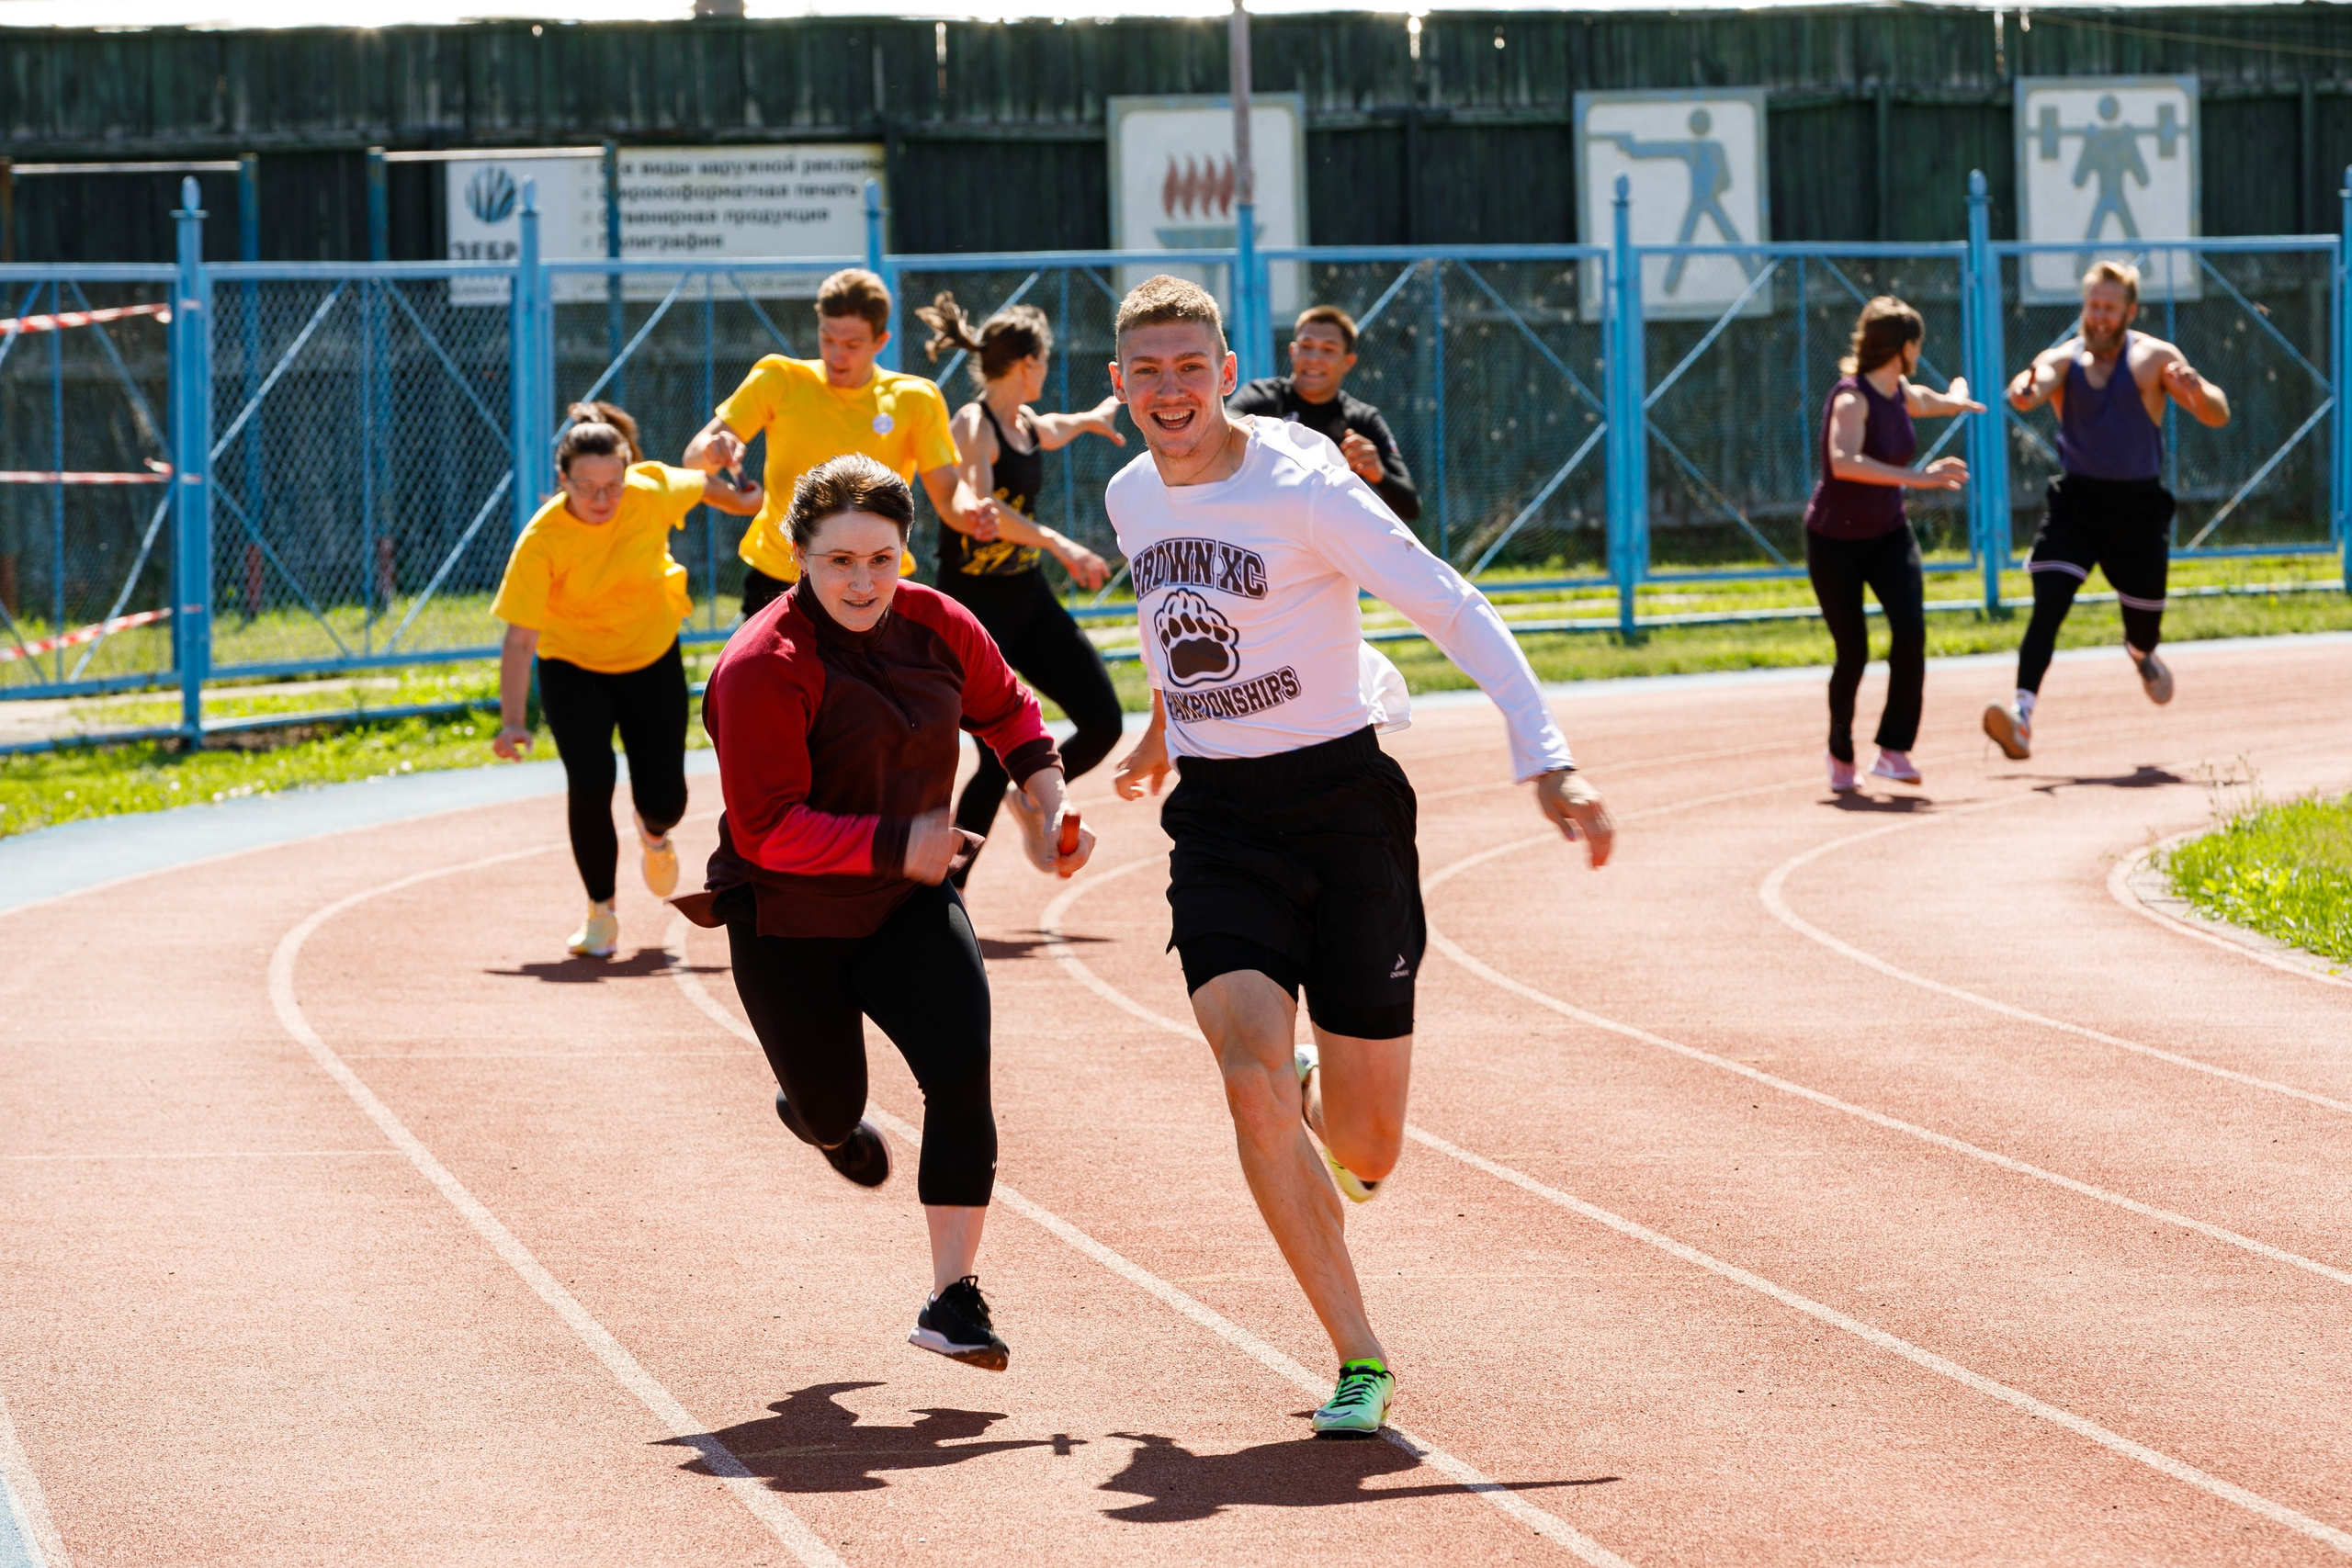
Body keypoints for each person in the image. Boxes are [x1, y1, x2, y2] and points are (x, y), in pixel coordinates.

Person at [1102, 276, 1614, 1438]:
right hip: (1221, 824)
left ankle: (1326, 1113)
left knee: (1369, 1147)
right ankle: (1358, 1356)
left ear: (1227, 373)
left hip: (1346, 813)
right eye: (1148, 371)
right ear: (1120, 386)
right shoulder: (1132, 493)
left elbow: (1449, 605)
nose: (1171, 390)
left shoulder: (1303, 488)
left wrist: (1549, 760)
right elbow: (1176, 627)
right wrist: (1159, 731)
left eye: (1191, 367)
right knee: (1245, 1077)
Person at [675, 454, 1096, 1371]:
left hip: (906, 903)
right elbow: (765, 829)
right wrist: (897, 842)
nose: (863, 582)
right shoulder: (760, 667)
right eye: (839, 562)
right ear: (799, 557)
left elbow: (1013, 716)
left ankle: (953, 1297)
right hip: (786, 918)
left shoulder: (940, 623)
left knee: (961, 1071)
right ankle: (819, 1119)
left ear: (907, 553)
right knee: (836, 1110)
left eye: (882, 559)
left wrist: (1050, 804)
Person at [490, 401, 763, 957]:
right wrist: (514, 722)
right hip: (573, 668)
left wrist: (743, 502)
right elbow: (520, 640)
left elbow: (702, 486)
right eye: (587, 486)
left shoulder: (650, 488)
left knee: (665, 800)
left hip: (650, 658)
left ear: (627, 472)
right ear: (563, 480)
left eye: (613, 484)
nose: (602, 499)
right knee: (589, 785)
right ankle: (601, 914)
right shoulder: (542, 540)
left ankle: (654, 832)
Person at [911, 291, 1128, 882]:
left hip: (1027, 598)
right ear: (1026, 363)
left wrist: (1090, 418)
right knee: (991, 760)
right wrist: (1060, 543)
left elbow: (1050, 430)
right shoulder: (973, 424)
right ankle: (947, 889)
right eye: (1045, 361)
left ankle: (1033, 801)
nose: (1047, 370)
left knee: (1104, 721)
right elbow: (982, 507)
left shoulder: (1024, 422)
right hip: (977, 609)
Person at [1984, 260, 2231, 759]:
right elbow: (2033, 386)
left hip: (2138, 510)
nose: (2098, 317)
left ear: (2130, 311)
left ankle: (2140, 653)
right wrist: (2023, 389)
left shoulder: (2152, 359)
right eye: (2092, 306)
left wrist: (2197, 391)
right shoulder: (2062, 359)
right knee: (2048, 605)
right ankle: (2022, 717)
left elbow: (2218, 414)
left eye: (2109, 308)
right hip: (2077, 503)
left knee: (2143, 627)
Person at [680, 268, 983, 619]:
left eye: (852, 344)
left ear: (880, 341)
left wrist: (971, 514)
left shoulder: (916, 399)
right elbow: (693, 458)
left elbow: (948, 493)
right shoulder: (778, 378)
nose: (837, 354)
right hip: (780, 577)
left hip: (871, 582)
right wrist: (712, 449)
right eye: (827, 338)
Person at [1801, 297, 1984, 793]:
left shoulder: (1897, 391)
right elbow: (1844, 460)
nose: (1918, 353)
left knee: (1910, 632)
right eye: (1917, 345)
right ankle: (1840, 754)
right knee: (1853, 652)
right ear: (1903, 347)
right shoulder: (1851, 398)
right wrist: (1918, 478)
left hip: (1887, 535)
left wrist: (1956, 398)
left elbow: (1923, 400)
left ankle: (1893, 750)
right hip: (1834, 541)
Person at [1227, 305, 1420, 523]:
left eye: (1328, 349)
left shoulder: (1362, 419)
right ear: (1293, 351)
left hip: (1333, 539)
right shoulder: (1262, 397)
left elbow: (1411, 508)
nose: (1314, 358)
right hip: (1264, 529)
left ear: (1348, 362)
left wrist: (1379, 474)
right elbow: (1224, 423)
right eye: (1306, 346)